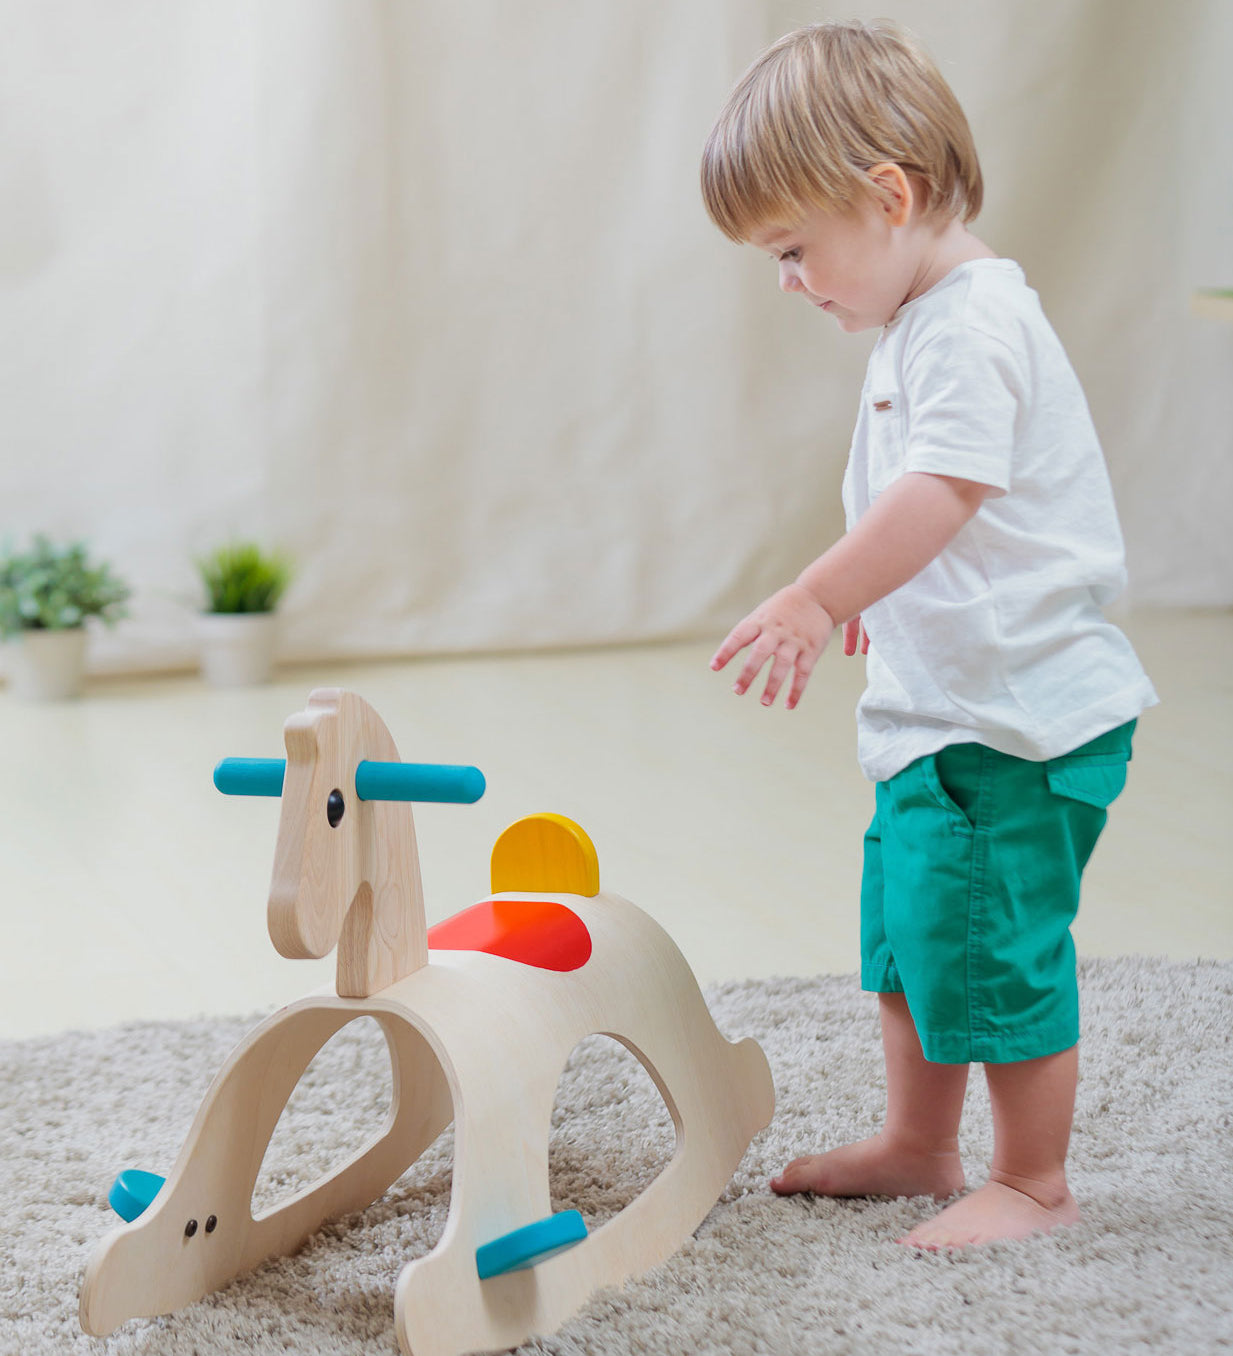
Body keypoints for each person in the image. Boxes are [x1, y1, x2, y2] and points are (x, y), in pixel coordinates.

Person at [700, 20, 1157, 1248]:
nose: (790, 282)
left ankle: (1036, 1181)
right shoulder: (921, 319)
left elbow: (944, 492)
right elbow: (947, 520)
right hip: (942, 715)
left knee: (996, 952)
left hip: (1012, 728)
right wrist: (893, 605)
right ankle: (920, 1145)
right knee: (914, 934)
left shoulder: (969, 324)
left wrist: (822, 595)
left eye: (794, 250)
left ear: (889, 196)